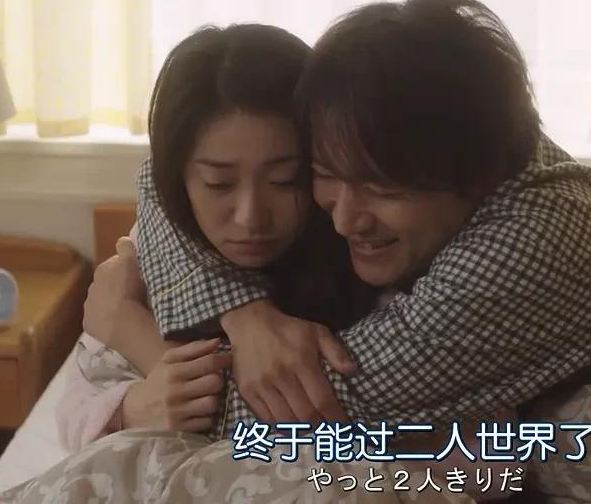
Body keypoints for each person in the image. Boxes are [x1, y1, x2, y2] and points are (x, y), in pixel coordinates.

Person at [113, 0, 591, 436]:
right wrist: (245, 313)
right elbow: (158, 177)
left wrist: (128, 330)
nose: (346, 220)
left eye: (383, 189)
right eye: (325, 175)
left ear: (472, 173)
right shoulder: (474, 134)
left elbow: (295, 413)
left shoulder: (526, 247)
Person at [56, 23, 373, 450]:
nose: (250, 217)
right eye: (218, 183)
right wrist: (134, 408)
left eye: (285, 180)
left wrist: (135, 334)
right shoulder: (150, 256)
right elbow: (73, 412)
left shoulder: (362, 247)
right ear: (179, 180)